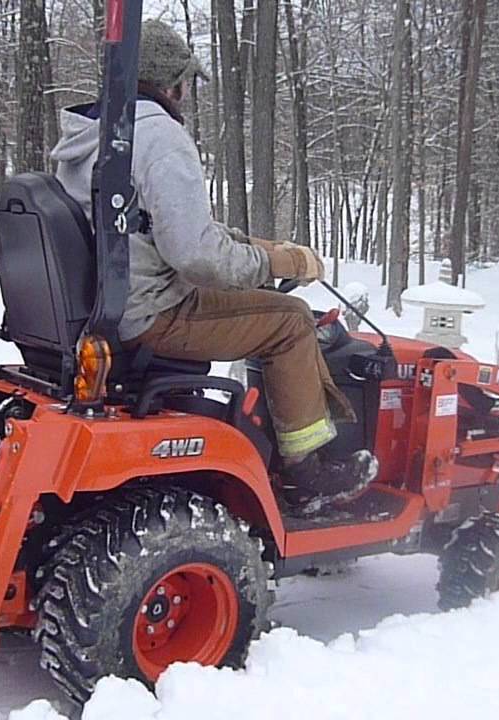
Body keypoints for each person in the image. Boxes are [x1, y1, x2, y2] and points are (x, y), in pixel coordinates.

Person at [50, 19, 376, 513]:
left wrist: (257, 247)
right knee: (288, 320)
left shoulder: (91, 136)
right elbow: (196, 257)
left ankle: (273, 441)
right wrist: (273, 264)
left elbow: (144, 228)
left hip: (109, 307)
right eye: (186, 83)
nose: (187, 93)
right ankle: (306, 473)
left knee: (268, 310)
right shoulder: (157, 136)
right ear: (171, 83)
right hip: (152, 313)